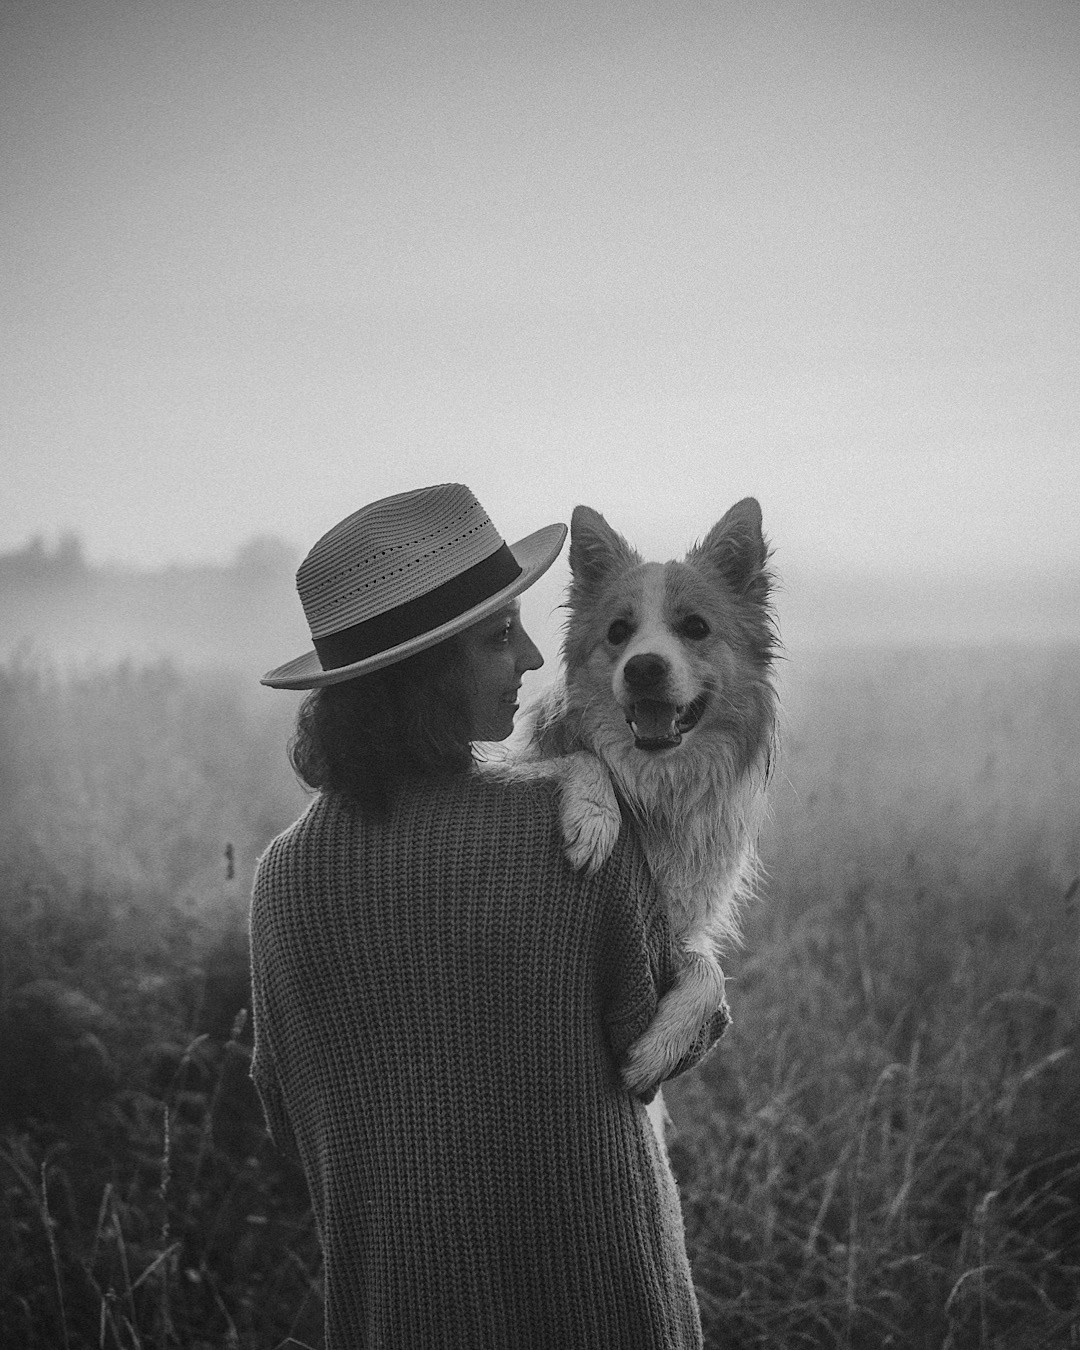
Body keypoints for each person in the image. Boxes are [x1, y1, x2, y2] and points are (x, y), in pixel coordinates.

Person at [250, 483, 727, 1349]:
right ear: (422, 676)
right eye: (499, 637)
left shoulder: (282, 879)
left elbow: (285, 1111)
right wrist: (706, 981)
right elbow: (650, 1043)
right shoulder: (570, 831)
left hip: (397, 1314)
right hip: (598, 1305)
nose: (538, 658)